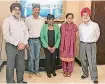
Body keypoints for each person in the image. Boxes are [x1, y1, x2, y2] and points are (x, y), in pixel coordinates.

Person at [2, 3, 29, 83]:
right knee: (10, 66)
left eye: (19, 10)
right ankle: (10, 82)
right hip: (11, 47)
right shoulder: (7, 21)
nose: (17, 11)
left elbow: (26, 33)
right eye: (15, 9)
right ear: (11, 10)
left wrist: (24, 43)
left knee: (21, 66)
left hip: (22, 47)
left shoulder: (22, 21)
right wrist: (18, 43)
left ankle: (20, 81)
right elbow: (6, 36)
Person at [79, 7, 100, 84]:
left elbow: (97, 35)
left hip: (91, 45)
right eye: (83, 15)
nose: (85, 16)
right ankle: (85, 74)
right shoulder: (80, 26)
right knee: (83, 60)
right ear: (82, 16)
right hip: (82, 44)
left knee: (92, 62)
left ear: (89, 15)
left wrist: (92, 42)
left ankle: (94, 77)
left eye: (86, 14)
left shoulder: (95, 25)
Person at [25, 3, 45, 77]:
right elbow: (25, 31)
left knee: (37, 57)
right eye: (36, 9)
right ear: (32, 10)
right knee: (31, 57)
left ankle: (36, 70)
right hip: (30, 40)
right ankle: (31, 71)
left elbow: (43, 32)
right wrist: (26, 42)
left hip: (38, 40)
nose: (37, 11)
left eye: (38, 10)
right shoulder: (28, 19)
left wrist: (43, 42)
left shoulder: (42, 19)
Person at [60, 13, 78, 77]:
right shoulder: (63, 26)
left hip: (71, 45)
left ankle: (69, 71)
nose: (70, 19)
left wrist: (72, 43)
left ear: (73, 19)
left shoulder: (75, 26)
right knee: (64, 59)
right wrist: (63, 44)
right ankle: (65, 70)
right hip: (64, 44)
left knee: (70, 59)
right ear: (66, 18)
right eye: (68, 18)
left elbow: (77, 36)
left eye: (71, 18)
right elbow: (61, 36)